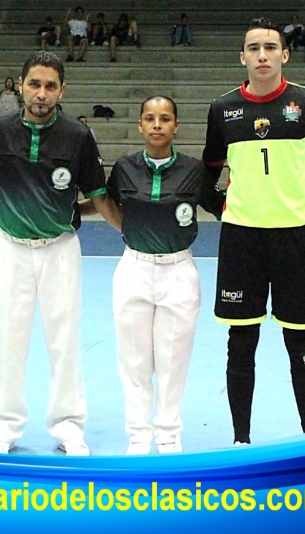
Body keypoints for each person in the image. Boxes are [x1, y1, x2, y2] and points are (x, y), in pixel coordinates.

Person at [201, 18, 305, 445]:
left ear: (285, 55)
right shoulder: (222, 110)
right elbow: (207, 178)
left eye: (270, 47)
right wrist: (232, 212)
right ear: (242, 57)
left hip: (295, 240)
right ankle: (241, 441)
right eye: (253, 48)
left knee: (301, 341)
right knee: (241, 340)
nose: (262, 55)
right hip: (241, 242)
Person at [0, 50, 121, 456]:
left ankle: (68, 427)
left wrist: (132, 233)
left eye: (50, 86)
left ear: (62, 90)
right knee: (8, 338)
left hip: (60, 249)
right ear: (20, 85)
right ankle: (4, 428)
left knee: (64, 340)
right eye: (34, 84)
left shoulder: (78, 136)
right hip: (9, 248)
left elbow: (97, 195)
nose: (41, 93)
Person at [106, 96, 223, 455]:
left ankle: (169, 434)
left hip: (178, 272)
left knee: (173, 361)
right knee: (134, 360)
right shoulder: (124, 167)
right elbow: (105, 201)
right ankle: (139, 435)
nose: (157, 125)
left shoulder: (194, 170)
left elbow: (222, 207)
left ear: (176, 127)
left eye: (165, 118)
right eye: (150, 118)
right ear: (140, 125)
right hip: (134, 269)